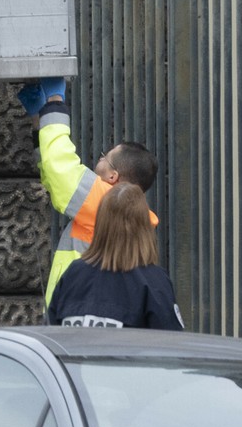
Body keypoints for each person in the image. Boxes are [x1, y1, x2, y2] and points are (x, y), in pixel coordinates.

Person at [18, 77, 159, 305]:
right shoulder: (130, 216)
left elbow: (61, 169)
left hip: (79, 314)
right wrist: (38, 121)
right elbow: (54, 178)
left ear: (113, 177)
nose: (100, 160)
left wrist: (54, 102)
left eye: (105, 157)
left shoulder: (106, 204)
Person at [46, 182, 183, 329]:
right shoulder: (153, 281)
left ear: (100, 222)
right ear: (143, 227)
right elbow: (170, 343)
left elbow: (52, 336)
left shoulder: (73, 274)